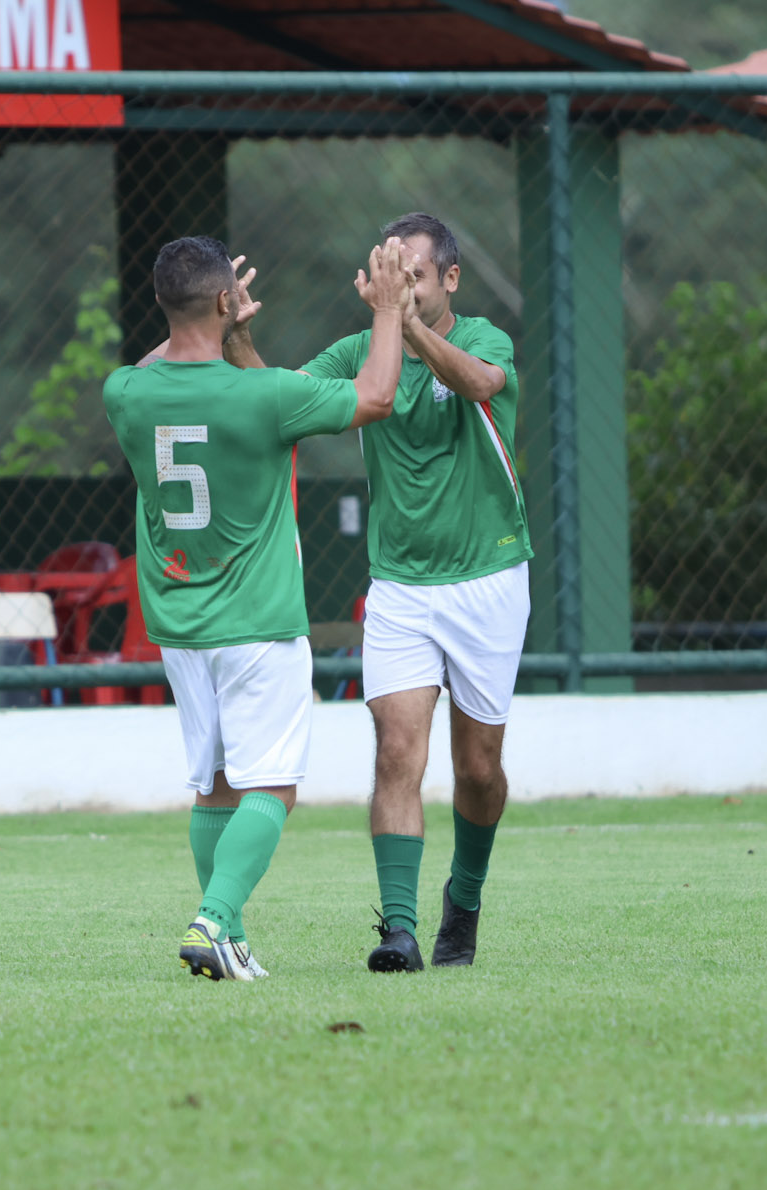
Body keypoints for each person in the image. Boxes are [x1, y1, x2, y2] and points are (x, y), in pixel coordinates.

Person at [228, 211, 528, 973]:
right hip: (399, 587)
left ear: (450, 278)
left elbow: (477, 383)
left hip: (490, 579)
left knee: (479, 769)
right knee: (396, 750)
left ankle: (465, 898)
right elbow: (279, 399)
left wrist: (401, 321)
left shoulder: (485, 339)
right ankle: (398, 930)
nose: (402, 290)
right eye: (392, 277)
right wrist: (235, 337)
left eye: (414, 277)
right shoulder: (361, 350)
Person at [103, 234, 410, 980]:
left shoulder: (126, 393)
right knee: (272, 787)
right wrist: (388, 309)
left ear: (161, 304)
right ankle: (213, 921)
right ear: (225, 300)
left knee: (214, 786)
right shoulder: (265, 395)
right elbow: (376, 396)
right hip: (258, 624)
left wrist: (204, 319)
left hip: (179, 628)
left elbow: (157, 362)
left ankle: (230, 937)